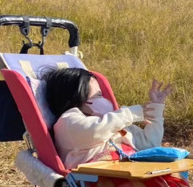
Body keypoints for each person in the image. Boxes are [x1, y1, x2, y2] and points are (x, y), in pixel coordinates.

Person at [42, 67, 173, 169]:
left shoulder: (113, 125)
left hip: (130, 176)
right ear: (78, 98)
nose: (104, 100)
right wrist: (129, 114)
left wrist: (155, 110)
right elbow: (95, 131)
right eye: (98, 95)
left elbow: (149, 145)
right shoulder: (68, 122)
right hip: (99, 184)